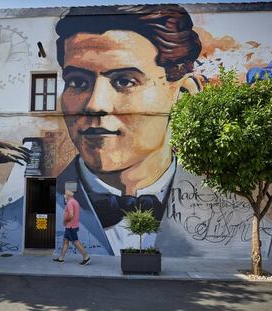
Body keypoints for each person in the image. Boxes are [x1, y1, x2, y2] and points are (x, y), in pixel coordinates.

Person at [54, 4, 209, 256]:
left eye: (124, 81)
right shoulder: (8, 223)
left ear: (182, 94)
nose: (95, 105)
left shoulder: (250, 227)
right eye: (77, 82)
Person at [54, 190, 91, 265]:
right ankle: (61, 258)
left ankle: (86, 257)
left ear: (68, 195)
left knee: (76, 242)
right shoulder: (75, 201)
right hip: (73, 225)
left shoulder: (70, 202)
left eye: (65, 195)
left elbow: (71, 215)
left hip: (71, 226)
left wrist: (65, 221)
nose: (64, 196)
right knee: (65, 241)